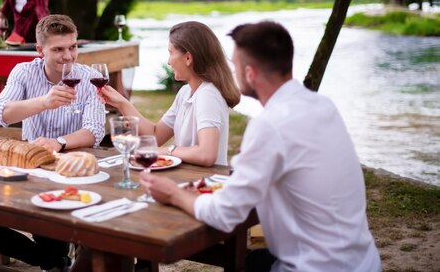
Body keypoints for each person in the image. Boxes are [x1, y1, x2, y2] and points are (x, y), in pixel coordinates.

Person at [140, 21, 381, 272]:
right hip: (362, 261)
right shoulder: (323, 106)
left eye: (235, 65)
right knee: (254, 260)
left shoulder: (270, 126)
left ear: (250, 73)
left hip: (317, 266)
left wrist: (174, 194)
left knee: (253, 259)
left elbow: (225, 214)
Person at [0, 14, 104, 272]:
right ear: (39, 50)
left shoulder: (88, 78)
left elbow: (95, 131)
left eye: (73, 47)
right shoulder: (23, 72)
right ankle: (56, 261)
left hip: (72, 171)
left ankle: (55, 258)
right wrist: (43, 102)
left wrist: (59, 142)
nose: (68, 56)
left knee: (50, 232)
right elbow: (0, 113)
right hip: (30, 170)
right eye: (58, 49)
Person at [102, 21, 240, 166]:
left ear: (188, 58)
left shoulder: (208, 95)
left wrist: (167, 151)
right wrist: (121, 103)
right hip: (187, 179)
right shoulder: (186, 92)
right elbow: (155, 135)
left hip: (206, 184)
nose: (169, 61)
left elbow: (207, 155)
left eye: (171, 53)